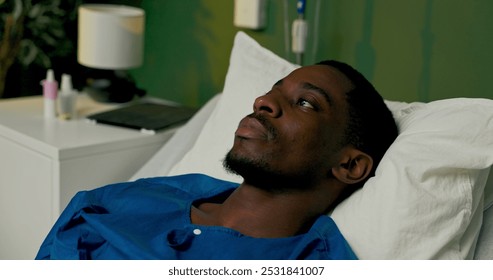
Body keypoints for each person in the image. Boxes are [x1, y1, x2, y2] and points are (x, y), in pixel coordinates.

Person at [35, 60, 398, 260]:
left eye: (306, 103)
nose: (263, 102)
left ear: (350, 166)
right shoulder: (162, 193)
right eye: (273, 90)